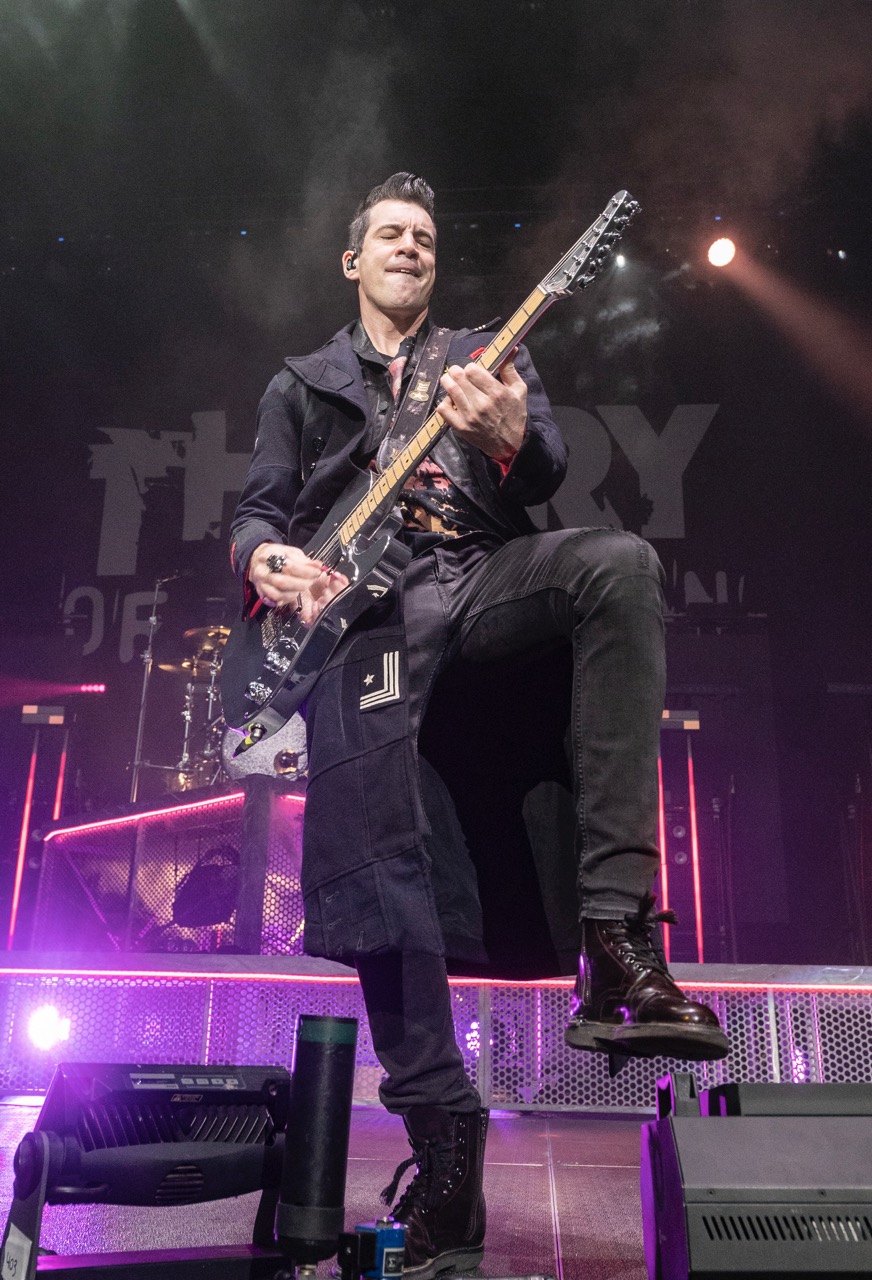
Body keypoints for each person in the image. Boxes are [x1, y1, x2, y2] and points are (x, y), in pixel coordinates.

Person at [230, 172, 728, 1279]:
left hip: (475, 575)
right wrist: (264, 560)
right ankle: (444, 1141)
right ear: (353, 261)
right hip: (363, 619)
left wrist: (507, 438)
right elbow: (259, 512)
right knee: (380, 876)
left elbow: (542, 466)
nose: (410, 245)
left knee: (618, 565)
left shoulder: (484, 353)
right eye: (389, 234)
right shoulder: (301, 384)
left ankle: (619, 940)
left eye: (424, 235)